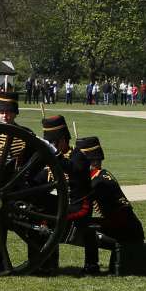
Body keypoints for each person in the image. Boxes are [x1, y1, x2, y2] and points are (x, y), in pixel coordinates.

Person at [76, 135, 144, 273]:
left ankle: (91, 266)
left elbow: (79, 203)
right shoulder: (101, 175)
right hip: (124, 226)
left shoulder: (98, 181)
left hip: (126, 231)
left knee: (87, 228)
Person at [41, 114, 97, 274]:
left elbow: (74, 169)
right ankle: (46, 263)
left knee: (50, 222)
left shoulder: (78, 156)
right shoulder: (54, 158)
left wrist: (55, 155)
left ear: (63, 140)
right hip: (65, 204)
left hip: (80, 206)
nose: (53, 145)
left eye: (54, 142)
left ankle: (51, 264)